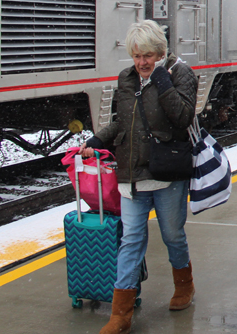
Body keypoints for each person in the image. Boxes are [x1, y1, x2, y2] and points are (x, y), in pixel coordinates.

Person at [81, 20, 197, 334]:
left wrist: (162, 81)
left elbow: (183, 116)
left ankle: (184, 285)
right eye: (137, 56)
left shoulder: (178, 73)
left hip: (166, 172)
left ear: (160, 53)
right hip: (131, 174)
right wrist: (96, 141)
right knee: (131, 239)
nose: (142, 62)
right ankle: (121, 314)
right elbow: (122, 122)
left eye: (148, 55)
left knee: (172, 235)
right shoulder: (127, 79)